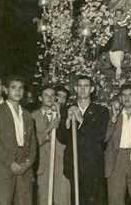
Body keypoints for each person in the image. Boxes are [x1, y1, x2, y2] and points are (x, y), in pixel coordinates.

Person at [56, 75, 109, 205]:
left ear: (91, 89)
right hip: (73, 164)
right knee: (77, 200)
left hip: (93, 165)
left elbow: (100, 136)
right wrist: (67, 121)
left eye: (86, 86)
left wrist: (80, 120)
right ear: (75, 88)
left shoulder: (101, 111)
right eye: (80, 86)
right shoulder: (67, 110)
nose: (83, 89)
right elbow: (62, 138)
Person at [0, 75, 36, 205]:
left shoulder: (27, 115)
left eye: (21, 88)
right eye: (13, 87)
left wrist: (27, 163)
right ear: (5, 90)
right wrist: (11, 163)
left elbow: (32, 143)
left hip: (24, 171)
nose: (17, 91)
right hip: (2, 170)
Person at [32, 85, 60, 205]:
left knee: (61, 199)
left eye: (53, 95)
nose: (50, 98)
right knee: (44, 199)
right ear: (40, 98)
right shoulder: (32, 116)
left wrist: (58, 116)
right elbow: (34, 142)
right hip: (42, 166)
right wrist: (49, 128)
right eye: (46, 95)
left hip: (60, 166)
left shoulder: (60, 115)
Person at [53, 84, 71, 205]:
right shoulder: (38, 112)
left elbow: (64, 138)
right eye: (58, 96)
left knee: (62, 193)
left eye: (64, 97)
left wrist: (59, 116)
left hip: (61, 158)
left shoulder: (67, 115)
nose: (61, 100)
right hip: (45, 162)